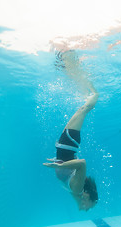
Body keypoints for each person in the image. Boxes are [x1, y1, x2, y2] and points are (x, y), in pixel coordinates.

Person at [43, 51, 99, 211]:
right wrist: (57, 166)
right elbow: (82, 163)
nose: (86, 208)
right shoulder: (77, 188)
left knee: (83, 108)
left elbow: (75, 196)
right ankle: (93, 90)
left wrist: (58, 162)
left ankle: (72, 69)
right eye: (89, 206)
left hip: (64, 146)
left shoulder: (76, 192)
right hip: (68, 144)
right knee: (84, 108)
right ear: (89, 197)